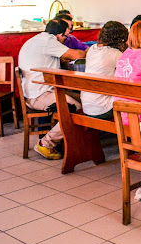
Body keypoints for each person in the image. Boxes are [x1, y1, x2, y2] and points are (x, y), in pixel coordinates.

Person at [18, 19, 86, 159]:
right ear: (59, 35)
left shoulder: (37, 40)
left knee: (83, 99)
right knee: (77, 108)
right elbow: (77, 55)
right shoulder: (49, 41)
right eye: (66, 36)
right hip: (39, 95)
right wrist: (93, 52)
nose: (66, 39)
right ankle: (46, 143)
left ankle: (75, 141)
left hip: (35, 91)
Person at [80, 21, 129, 120]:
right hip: (103, 109)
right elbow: (127, 76)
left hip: (86, 105)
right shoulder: (116, 54)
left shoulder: (91, 49)